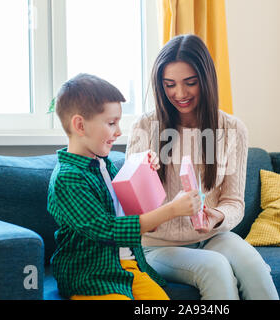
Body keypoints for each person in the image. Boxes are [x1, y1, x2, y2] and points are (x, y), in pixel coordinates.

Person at [126, 34, 279, 300]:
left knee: (255, 267)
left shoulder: (233, 129)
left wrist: (216, 216)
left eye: (190, 83)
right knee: (215, 267)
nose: (180, 94)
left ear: (206, 81)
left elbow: (234, 202)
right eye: (169, 84)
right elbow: (130, 212)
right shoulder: (144, 128)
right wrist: (145, 172)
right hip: (158, 246)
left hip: (214, 235)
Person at [47, 73, 201, 300]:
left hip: (129, 268)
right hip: (91, 275)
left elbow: (129, 210)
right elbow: (108, 229)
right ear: (80, 125)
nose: (119, 132)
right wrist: (172, 210)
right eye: (111, 123)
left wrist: (144, 170)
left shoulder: (105, 164)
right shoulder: (68, 179)